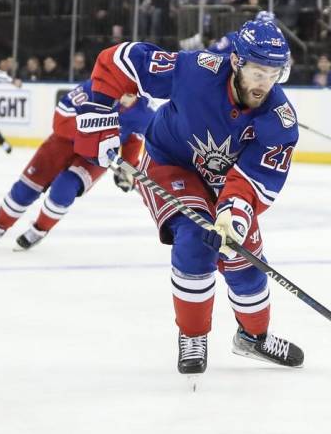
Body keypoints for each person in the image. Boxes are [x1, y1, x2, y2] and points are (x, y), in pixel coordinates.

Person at [76, 20, 304, 374]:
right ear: (236, 62)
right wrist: (100, 113)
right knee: (196, 240)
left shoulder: (280, 121)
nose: (266, 83)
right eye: (259, 72)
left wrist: (235, 215)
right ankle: (193, 334)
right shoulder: (195, 71)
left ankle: (254, 337)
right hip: (171, 163)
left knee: (245, 259)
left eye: (274, 74)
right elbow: (119, 60)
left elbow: (257, 179)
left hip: (227, 183)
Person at [0, 81, 153, 249]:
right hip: (62, 144)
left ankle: (39, 230)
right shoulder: (94, 87)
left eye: (132, 94)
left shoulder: (143, 114)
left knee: (64, 189)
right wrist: (89, 137)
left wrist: (127, 170)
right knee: (25, 189)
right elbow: (60, 120)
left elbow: (132, 142)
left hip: (94, 158)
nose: (125, 98)